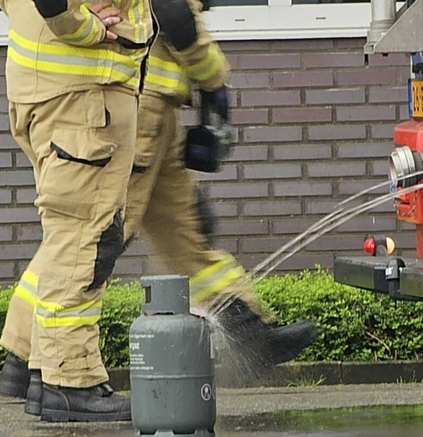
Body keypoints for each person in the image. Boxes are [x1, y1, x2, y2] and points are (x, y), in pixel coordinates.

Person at [123, 0, 317, 379]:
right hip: (138, 100)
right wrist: (212, 78)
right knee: (94, 238)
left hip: (154, 103)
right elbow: (173, 12)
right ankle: (40, 360)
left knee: (182, 235)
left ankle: (248, 331)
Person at [0, 0, 153, 422]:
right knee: (88, 239)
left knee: (69, 234)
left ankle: (41, 371)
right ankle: (71, 382)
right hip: (84, 91)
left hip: (52, 86)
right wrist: (81, 27)